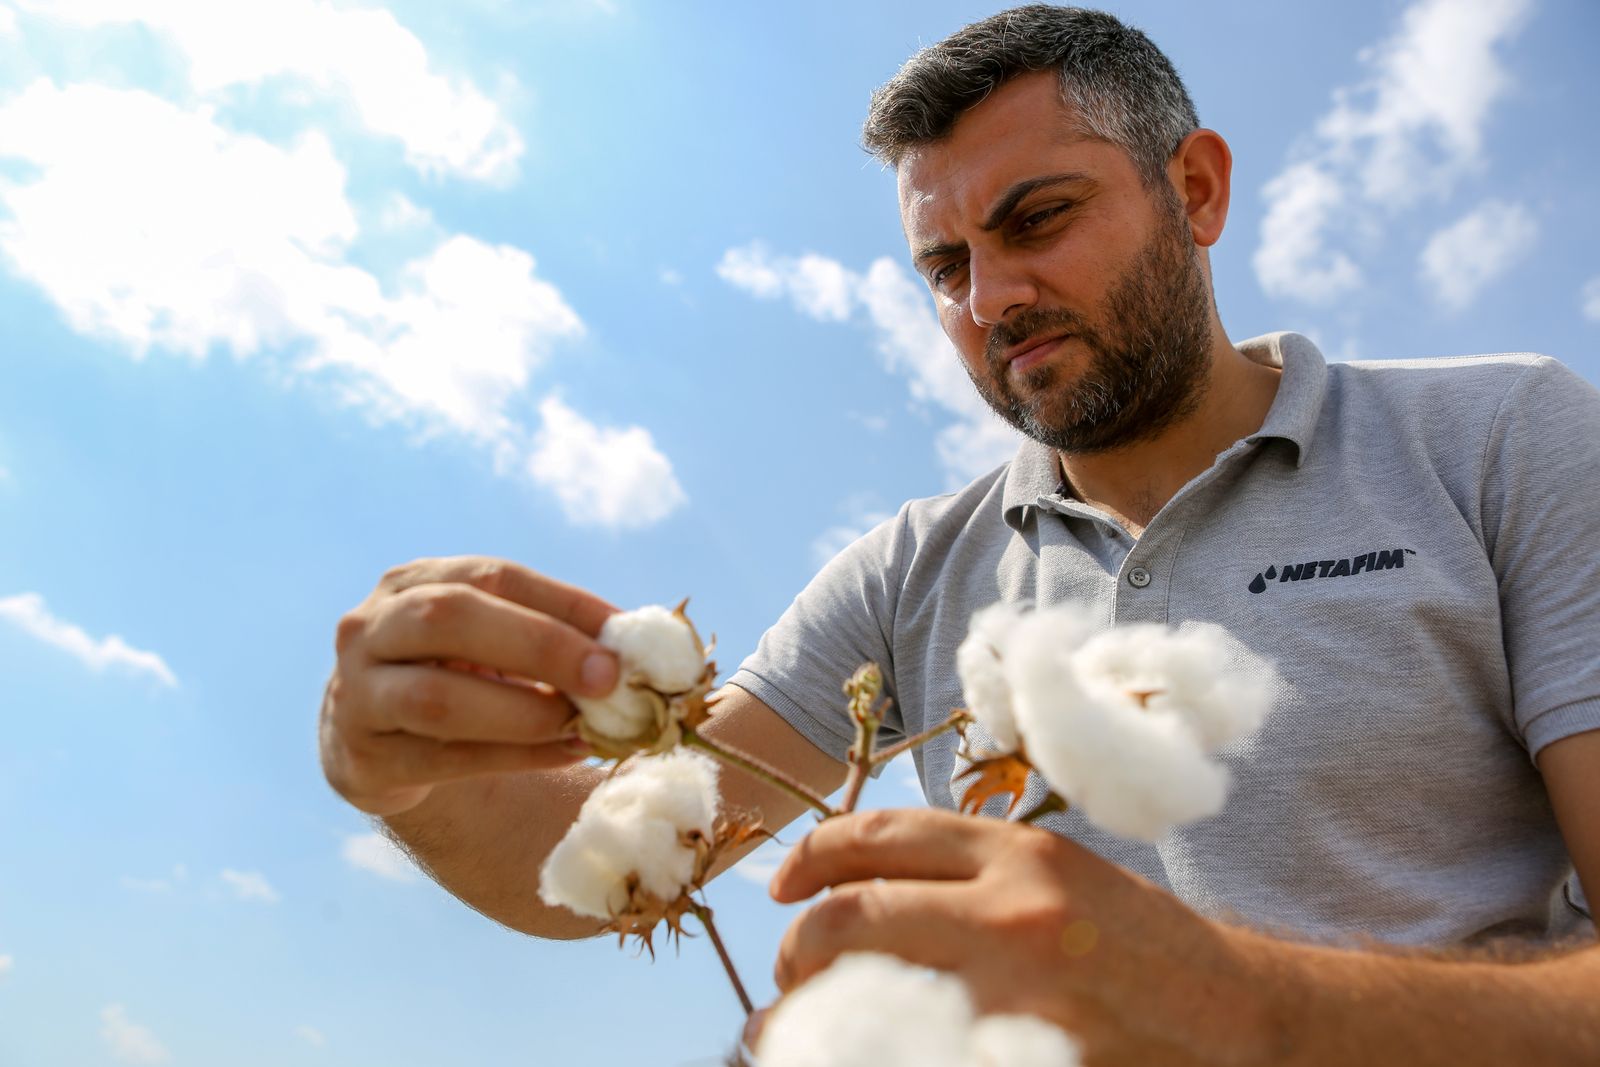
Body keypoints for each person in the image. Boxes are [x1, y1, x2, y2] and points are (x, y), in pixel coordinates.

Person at [318, 6, 1600, 1061]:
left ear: (1196, 190)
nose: (993, 298)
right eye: (944, 267)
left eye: (1037, 220)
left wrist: (1250, 1010)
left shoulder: (1499, 440)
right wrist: (406, 776)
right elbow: (611, 857)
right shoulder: (905, 575)